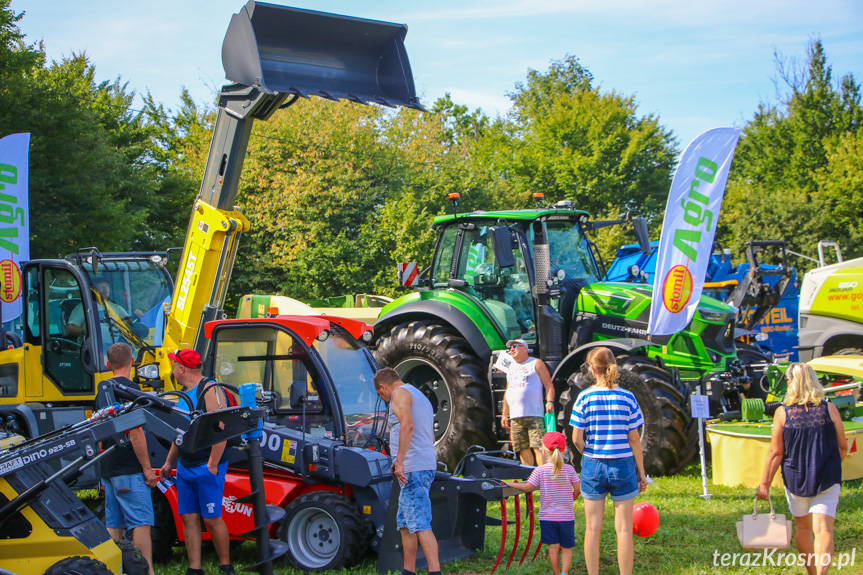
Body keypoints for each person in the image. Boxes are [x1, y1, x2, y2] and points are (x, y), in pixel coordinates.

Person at [757, 362, 847, 575]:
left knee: (804, 528)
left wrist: (764, 485)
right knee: (824, 529)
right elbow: (842, 445)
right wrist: (831, 467)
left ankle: (812, 573)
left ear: (791, 383)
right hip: (826, 476)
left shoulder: (783, 413)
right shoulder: (829, 409)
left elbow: (775, 453)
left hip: (795, 479)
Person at [570, 347, 647, 575]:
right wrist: (641, 472)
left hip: (594, 463)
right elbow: (634, 439)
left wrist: (590, 454)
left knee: (592, 529)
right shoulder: (628, 397)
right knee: (624, 529)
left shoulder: (584, 397)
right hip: (623, 464)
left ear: (592, 369)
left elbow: (576, 438)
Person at [159, 349, 234, 575]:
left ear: (182, 369)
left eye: (174, 365)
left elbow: (221, 429)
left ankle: (225, 566)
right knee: (189, 517)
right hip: (186, 466)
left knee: (211, 518)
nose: (172, 370)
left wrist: (212, 463)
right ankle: (194, 569)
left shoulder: (209, 389)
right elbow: (179, 434)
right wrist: (169, 463)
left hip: (206, 465)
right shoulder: (183, 395)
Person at [95, 342, 158, 575]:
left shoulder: (102, 392)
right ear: (133, 362)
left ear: (108, 364)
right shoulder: (132, 392)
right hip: (129, 469)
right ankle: (146, 570)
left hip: (109, 468)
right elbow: (136, 432)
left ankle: (115, 570)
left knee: (114, 524)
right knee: (140, 521)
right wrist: (147, 469)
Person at [373, 367, 441, 575]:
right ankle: (408, 570)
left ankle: (434, 571)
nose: (383, 398)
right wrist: (398, 459)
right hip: (418, 464)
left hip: (413, 468)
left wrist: (400, 461)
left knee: (420, 523)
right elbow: (428, 436)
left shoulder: (399, 394)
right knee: (405, 523)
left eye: (380, 394)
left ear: (383, 387)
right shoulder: (418, 395)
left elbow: (407, 425)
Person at [505, 431, 581, 575]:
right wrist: (572, 498)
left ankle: (557, 574)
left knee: (553, 547)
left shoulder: (540, 470)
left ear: (544, 451)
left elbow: (528, 487)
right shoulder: (570, 470)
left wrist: (511, 484)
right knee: (567, 548)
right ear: (564, 450)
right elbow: (578, 489)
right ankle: (564, 573)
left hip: (547, 517)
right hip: (566, 517)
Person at [501, 338, 555, 465]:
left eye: (515, 346)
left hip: (534, 414)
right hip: (515, 417)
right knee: (522, 448)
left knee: (539, 447)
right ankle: (529, 478)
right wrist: (504, 414)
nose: (512, 349)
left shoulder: (536, 363)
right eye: (510, 348)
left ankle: (543, 477)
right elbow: (507, 391)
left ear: (525, 348)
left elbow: (548, 385)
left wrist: (550, 401)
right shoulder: (510, 367)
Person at [66, 278, 143, 341]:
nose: (105, 289)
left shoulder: (116, 308)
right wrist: (85, 331)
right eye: (101, 287)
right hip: (95, 350)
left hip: (117, 346)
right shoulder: (84, 307)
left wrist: (137, 316)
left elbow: (129, 324)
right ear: (94, 290)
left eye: (106, 286)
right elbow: (71, 328)